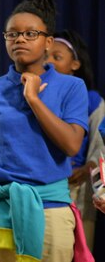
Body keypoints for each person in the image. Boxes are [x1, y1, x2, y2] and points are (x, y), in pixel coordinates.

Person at [0, 0, 91, 262]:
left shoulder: (72, 87)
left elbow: (71, 144)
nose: (20, 39)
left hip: (51, 210)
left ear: (48, 42)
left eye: (30, 34)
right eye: (12, 34)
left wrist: (33, 99)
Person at [47, 29, 105, 250]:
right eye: (46, 56)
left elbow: (100, 150)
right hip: (45, 187)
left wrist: (90, 173)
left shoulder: (92, 101)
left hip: (78, 189)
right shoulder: (36, 96)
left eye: (57, 57)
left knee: (78, 249)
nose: (50, 62)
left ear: (75, 64)